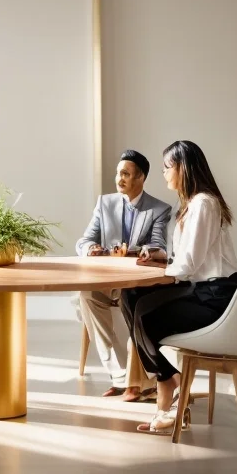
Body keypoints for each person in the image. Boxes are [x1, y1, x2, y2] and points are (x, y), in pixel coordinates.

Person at [123, 140, 237, 436]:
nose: (164, 173)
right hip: (199, 288)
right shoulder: (192, 204)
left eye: (167, 167)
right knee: (131, 295)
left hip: (215, 297)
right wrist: (165, 258)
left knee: (147, 317)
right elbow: (189, 258)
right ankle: (171, 384)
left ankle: (169, 388)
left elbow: (189, 265)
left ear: (183, 168)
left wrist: (165, 269)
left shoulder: (204, 203)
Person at [76, 150, 172, 398]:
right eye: (118, 173)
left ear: (141, 178)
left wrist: (136, 251)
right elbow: (84, 240)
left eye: (126, 174)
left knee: (134, 301)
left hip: (136, 281)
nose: (119, 179)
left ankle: (136, 380)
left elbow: (159, 246)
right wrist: (91, 248)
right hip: (107, 279)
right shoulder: (104, 203)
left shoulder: (159, 209)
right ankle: (120, 375)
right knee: (87, 293)